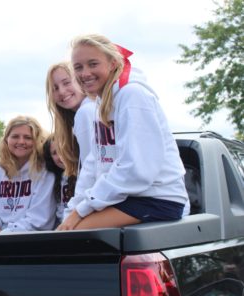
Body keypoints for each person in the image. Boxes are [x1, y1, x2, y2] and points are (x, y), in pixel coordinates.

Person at [58, 34, 189, 231]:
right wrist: (74, 209)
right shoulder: (100, 103)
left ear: (112, 63)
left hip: (156, 198)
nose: (85, 73)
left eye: (93, 64)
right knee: (66, 232)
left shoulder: (132, 96)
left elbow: (135, 170)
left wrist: (82, 211)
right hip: (125, 198)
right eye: (78, 67)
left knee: (76, 236)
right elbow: (93, 166)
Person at [0, 116, 56, 232]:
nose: (21, 142)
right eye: (15, 136)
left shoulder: (45, 169)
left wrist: (3, 236)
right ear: (6, 139)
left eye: (28, 137)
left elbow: (39, 219)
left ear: (37, 140)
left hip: (32, 238)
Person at [43, 136, 75, 226]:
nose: (61, 156)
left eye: (64, 149)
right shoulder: (56, 178)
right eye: (54, 153)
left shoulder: (83, 175)